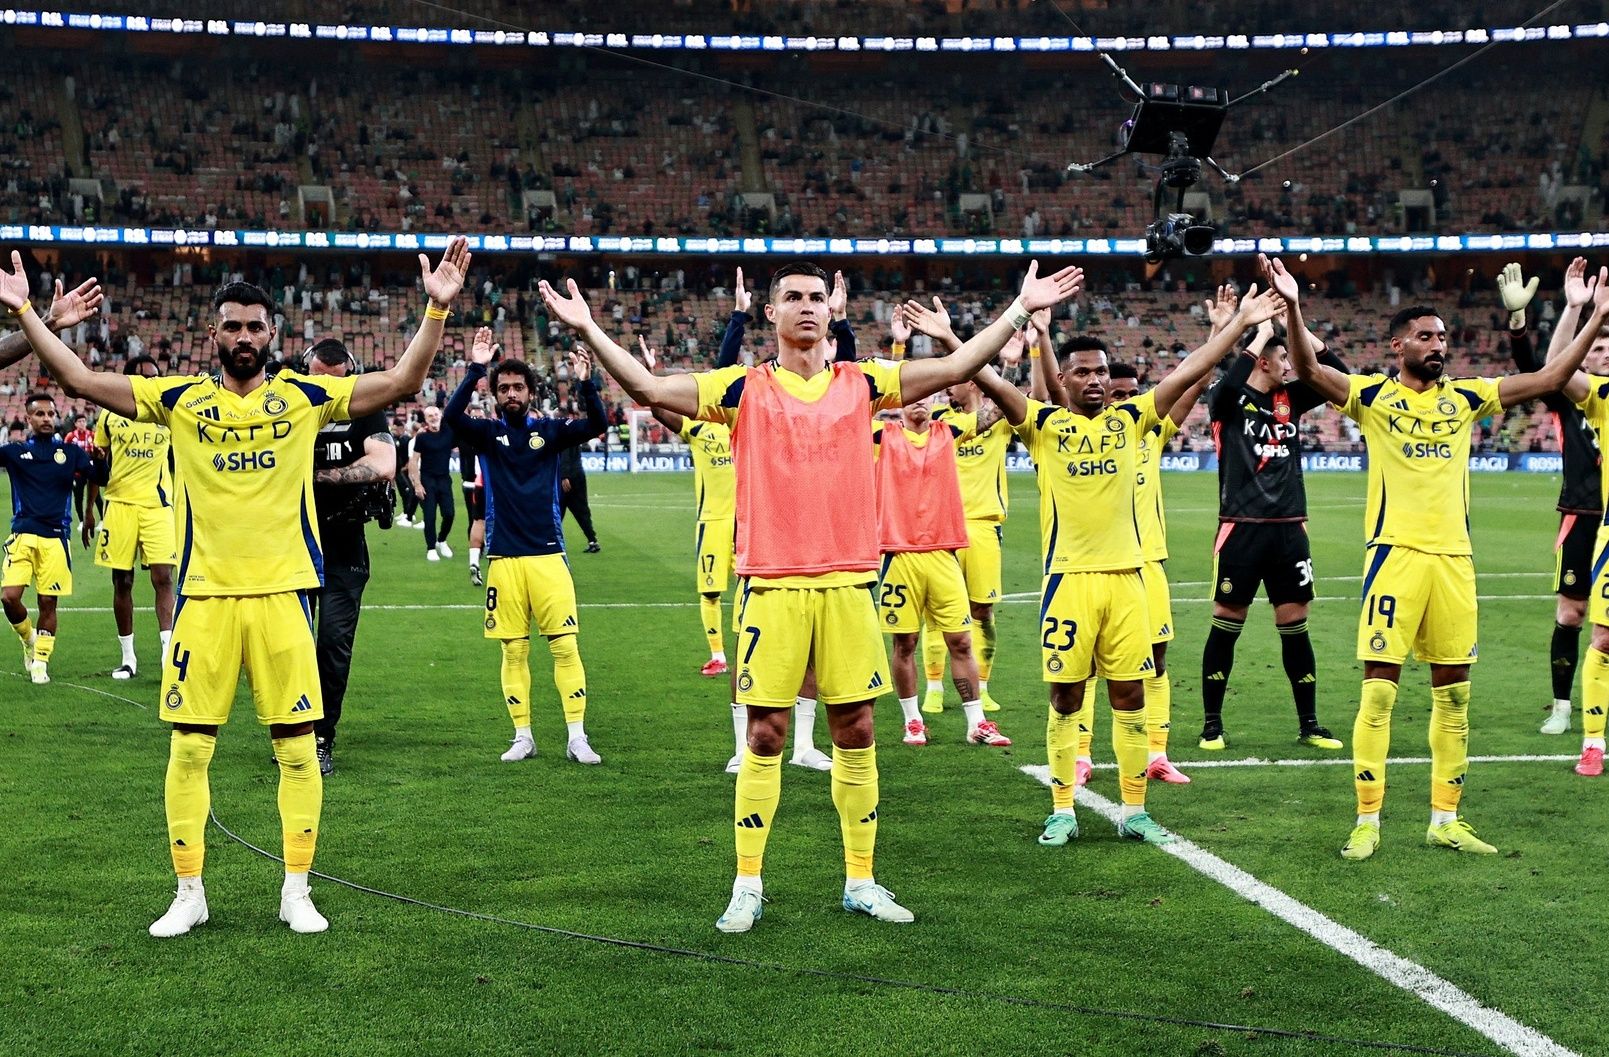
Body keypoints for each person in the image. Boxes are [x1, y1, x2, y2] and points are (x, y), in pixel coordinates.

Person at [543, 258, 1084, 933]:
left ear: (831, 313)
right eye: (792, 297)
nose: (805, 306)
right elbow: (649, 386)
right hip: (770, 585)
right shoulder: (740, 388)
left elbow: (954, 369)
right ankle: (747, 882)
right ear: (769, 314)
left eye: (816, 297)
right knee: (765, 734)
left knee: (855, 730)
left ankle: (861, 879)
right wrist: (590, 326)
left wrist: (1016, 309)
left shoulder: (864, 384)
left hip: (849, 584)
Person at [0, 238, 470, 935]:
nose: (244, 336)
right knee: (189, 748)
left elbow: (399, 382)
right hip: (206, 602)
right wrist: (29, 312)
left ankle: (296, 889)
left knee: (296, 748)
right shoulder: (180, 400)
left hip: (285, 597)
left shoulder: (307, 396)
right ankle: (189, 890)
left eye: (255, 326)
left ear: (273, 334)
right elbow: (76, 378)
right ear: (212, 334)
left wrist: (435, 307)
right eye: (232, 325)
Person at [1264, 252, 1606, 859]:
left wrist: (1591, 315)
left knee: (1455, 695)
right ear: (1397, 345)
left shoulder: (1468, 398)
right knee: (1379, 692)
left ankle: (1444, 818)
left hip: (1454, 562)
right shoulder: (1371, 396)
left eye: (1442, 336)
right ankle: (1368, 820)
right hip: (1395, 558)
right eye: (1425, 336)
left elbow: (1549, 380)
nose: (1437, 344)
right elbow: (1311, 369)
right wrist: (1292, 304)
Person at [970, 284, 1285, 850]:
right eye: (1083, 373)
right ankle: (1062, 808)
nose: (1095, 380)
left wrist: (1239, 325)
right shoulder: (1046, 428)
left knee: (1132, 695)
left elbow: (1189, 373)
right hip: (1068, 583)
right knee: (1066, 697)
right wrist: (961, 335)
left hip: (1132, 579)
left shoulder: (1135, 422)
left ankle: (1135, 810)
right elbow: (990, 379)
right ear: (1065, 381)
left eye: (1101, 373)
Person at [444, 328, 607, 765]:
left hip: (549, 555)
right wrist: (475, 368)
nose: (511, 394)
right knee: (513, 650)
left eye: (518, 387)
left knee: (565, 646)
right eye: (503, 388)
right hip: (504, 559)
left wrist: (586, 383)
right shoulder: (486, 433)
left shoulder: (551, 432)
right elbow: (450, 419)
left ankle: (577, 736)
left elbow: (598, 424)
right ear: (494, 395)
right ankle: (523, 736)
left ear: (531, 393)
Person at [1200, 308, 1349, 751]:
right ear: (1263, 361)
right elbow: (1226, 385)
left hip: (1288, 530)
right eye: (1283, 358)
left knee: (1295, 624)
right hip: (1241, 529)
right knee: (1228, 621)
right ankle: (1212, 724)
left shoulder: (1291, 400)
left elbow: (1337, 373)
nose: (1289, 365)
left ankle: (1309, 723)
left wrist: (1296, 325)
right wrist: (1260, 330)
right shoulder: (1227, 399)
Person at [1497, 260, 1609, 735]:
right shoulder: (1569, 395)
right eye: (1597, 348)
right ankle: (1563, 706)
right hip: (1582, 516)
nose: (1602, 355)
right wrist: (1575, 309)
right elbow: (1536, 369)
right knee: (1571, 612)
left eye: (1607, 348)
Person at [874, 388, 1011, 750]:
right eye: (911, 395)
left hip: (943, 553)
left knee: (961, 641)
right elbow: (843, 416)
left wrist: (1011, 363)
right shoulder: (881, 438)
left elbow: (998, 408)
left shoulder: (948, 433)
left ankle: (976, 722)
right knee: (905, 642)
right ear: (896, 402)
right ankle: (913, 720)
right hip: (899, 555)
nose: (919, 400)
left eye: (927, 395)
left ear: (935, 402)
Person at [898, 299, 1014, 717]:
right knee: (936, 613)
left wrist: (1014, 364)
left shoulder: (994, 422)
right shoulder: (940, 424)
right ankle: (933, 686)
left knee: (982, 611)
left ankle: (981, 686)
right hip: (941, 529)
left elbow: (1006, 401)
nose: (948, 386)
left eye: (957, 378)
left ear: (974, 383)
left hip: (983, 527)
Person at [305, 337, 397, 776]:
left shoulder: (364, 409)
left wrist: (316, 476)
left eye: (336, 384)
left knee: (332, 645)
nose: (327, 392)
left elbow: (383, 464)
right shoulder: (286, 405)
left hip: (344, 545)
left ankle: (323, 737)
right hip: (292, 544)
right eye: (319, 381)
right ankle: (297, 733)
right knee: (291, 647)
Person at [81, 355, 176, 680]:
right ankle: (128, 659)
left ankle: (168, 655)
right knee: (122, 581)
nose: (151, 381)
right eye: (144, 377)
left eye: (155, 376)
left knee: (164, 578)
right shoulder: (109, 415)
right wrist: (89, 511)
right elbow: (98, 466)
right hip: (119, 505)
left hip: (158, 505)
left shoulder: (168, 414)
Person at [2, 391, 107, 684]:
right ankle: (28, 639)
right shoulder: (14, 451)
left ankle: (41, 663)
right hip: (22, 535)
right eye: (39, 414)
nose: (47, 418)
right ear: (28, 419)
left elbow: (103, 478)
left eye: (50, 414)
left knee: (48, 603)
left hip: (56, 539)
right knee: (9, 598)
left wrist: (99, 462)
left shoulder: (70, 453)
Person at [408, 406, 457, 561]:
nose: (434, 417)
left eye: (436, 414)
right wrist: (417, 484)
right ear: (426, 419)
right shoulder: (422, 437)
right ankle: (430, 548)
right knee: (429, 517)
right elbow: (414, 461)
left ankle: (442, 540)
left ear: (440, 415)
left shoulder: (449, 432)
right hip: (428, 480)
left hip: (444, 479)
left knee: (449, 514)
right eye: (430, 415)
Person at [557, 422, 601, 553]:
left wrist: (564, 476)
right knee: (581, 510)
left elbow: (564, 455)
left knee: (558, 510)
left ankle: (551, 540)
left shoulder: (564, 435)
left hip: (568, 477)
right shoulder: (574, 434)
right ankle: (592, 540)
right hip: (579, 474)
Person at [460, 410, 487, 587]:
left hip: (478, 483)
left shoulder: (465, 435)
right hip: (492, 482)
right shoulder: (491, 432)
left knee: (478, 521)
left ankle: (474, 561)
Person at [61, 412, 97, 521]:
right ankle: (81, 520)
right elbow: (64, 451)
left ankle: (101, 520)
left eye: (84, 421)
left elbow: (97, 450)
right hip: (77, 472)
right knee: (78, 496)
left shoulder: (92, 435)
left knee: (96, 495)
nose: (82, 423)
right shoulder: (71, 436)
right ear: (75, 424)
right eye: (79, 421)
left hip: (90, 470)